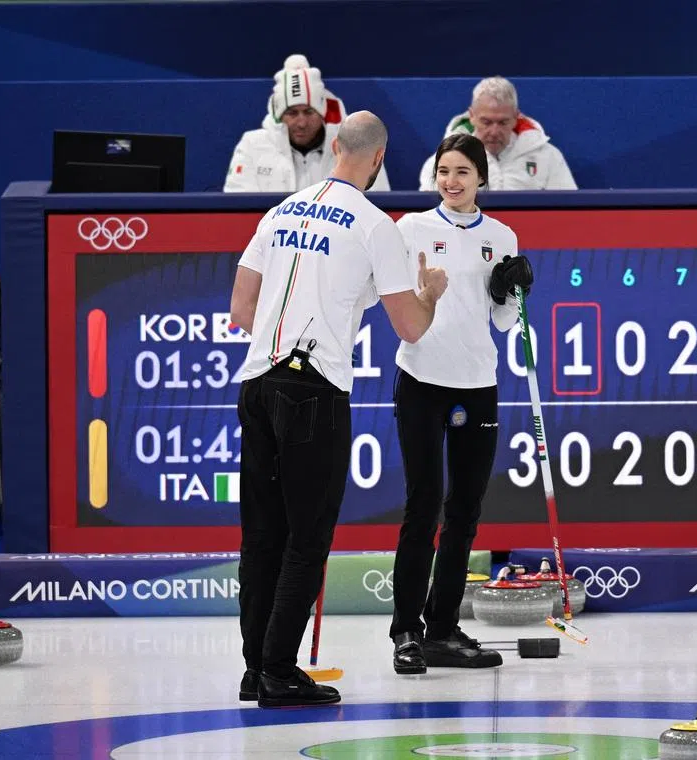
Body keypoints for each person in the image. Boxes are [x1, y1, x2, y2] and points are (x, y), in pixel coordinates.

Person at [229, 111, 447, 707]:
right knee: (308, 536)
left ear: (334, 150)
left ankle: (255, 668)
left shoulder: (279, 212)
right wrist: (430, 293)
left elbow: (241, 308)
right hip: (313, 389)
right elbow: (410, 327)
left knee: (262, 535)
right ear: (377, 159)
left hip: (257, 382)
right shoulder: (376, 225)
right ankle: (279, 670)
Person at [389, 133, 533, 674]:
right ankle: (406, 629)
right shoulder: (412, 229)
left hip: (477, 381)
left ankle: (442, 627)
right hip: (422, 376)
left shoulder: (502, 235)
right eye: (443, 172)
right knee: (423, 504)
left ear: (482, 179)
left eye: (462, 173)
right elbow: (398, 302)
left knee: (465, 511)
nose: (451, 182)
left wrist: (512, 290)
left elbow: (501, 321)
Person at [224, 54, 391, 193]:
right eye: (292, 113)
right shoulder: (252, 146)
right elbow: (238, 210)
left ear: (322, 113)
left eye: (309, 112)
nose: (302, 122)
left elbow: (377, 203)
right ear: (279, 117)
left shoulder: (355, 145)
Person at [417, 76, 576, 191]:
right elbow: (429, 218)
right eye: (486, 122)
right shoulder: (442, 161)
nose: (494, 131)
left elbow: (569, 213)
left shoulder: (547, 156)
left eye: (502, 122)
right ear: (472, 117)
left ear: (516, 118)